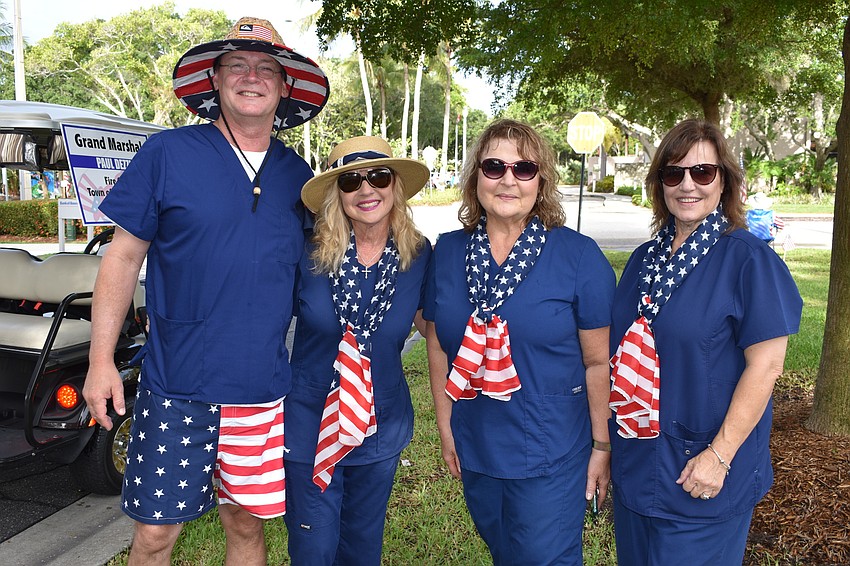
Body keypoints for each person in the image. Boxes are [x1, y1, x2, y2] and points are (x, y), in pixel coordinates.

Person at [82, 17, 329, 566]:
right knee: (153, 536)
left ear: (285, 88)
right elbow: (121, 258)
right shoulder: (167, 154)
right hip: (176, 385)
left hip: (260, 387)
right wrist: (101, 360)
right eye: (236, 65)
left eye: (267, 68)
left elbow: (327, 264)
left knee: (245, 525)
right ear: (214, 81)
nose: (252, 77)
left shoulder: (299, 175)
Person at [608, 119, 803, 565]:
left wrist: (720, 455)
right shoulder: (643, 261)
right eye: (674, 174)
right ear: (660, 185)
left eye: (703, 173)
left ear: (725, 182)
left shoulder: (749, 260)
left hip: (706, 471)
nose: (688, 185)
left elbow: (767, 366)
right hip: (638, 467)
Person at [424, 118, 616, 565]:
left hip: (552, 449)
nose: (508, 179)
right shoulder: (450, 252)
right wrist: (446, 427)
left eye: (524, 168)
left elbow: (598, 363)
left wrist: (603, 447)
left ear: (540, 181)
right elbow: (437, 344)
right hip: (476, 441)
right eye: (494, 167)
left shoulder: (578, 256)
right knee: (504, 553)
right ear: (476, 178)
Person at [283, 136, 431, 565]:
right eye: (351, 181)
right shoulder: (306, 254)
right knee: (313, 549)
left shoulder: (419, 256)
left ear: (395, 186)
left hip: (380, 425)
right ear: (337, 194)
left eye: (379, 176)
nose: (366, 190)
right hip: (310, 422)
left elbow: (437, 328)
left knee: (362, 549)